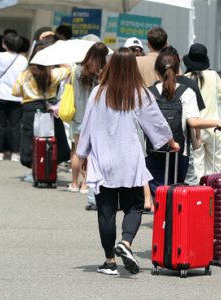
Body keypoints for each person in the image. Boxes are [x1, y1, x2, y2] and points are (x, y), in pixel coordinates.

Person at [76, 47, 180, 275]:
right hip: (129, 159)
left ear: (111, 66)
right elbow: (156, 121)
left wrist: (82, 154)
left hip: (103, 160)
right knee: (134, 206)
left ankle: (110, 260)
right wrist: (169, 142)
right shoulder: (139, 92)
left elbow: (87, 126)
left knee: (106, 211)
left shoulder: (98, 92)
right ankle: (126, 242)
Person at [146, 51, 221, 195]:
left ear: (156, 71)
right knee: (176, 194)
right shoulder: (187, 92)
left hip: (153, 151)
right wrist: (217, 123)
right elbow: (193, 122)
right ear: (178, 70)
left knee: (158, 197)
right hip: (180, 152)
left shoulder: (148, 93)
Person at [12, 50, 70, 182]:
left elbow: (15, 92)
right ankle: (48, 169)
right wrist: (57, 59)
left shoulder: (24, 75)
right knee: (50, 141)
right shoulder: (54, 74)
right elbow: (69, 69)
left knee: (32, 141)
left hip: (30, 110)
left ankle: (35, 170)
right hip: (49, 110)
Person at [68, 42, 109, 207]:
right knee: (91, 153)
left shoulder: (77, 70)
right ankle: (86, 184)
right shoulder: (102, 73)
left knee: (78, 150)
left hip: (78, 115)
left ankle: (74, 183)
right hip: (94, 116)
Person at [183, 43, 221, 179]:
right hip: (215, 128)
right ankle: (216, 195)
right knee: (218, 167)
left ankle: (200, 196)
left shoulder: (186, 78)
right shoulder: (213, 75)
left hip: (195, 130)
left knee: (197, 166)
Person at [0, 33, 28, 162]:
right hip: (17, 97)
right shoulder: (23, 60)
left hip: (1, 95)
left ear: (4, 44)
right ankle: (15, 153)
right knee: (15, 126)